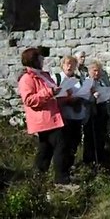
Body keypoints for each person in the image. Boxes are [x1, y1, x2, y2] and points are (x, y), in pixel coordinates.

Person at [17, 48, 71, 185]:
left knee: (45, 150)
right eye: (40, 58)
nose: (43, 60)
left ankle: (37, 180)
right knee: (61, 145)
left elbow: (52, 95)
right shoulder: (26, 79)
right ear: (33, 60)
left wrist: (64, 95)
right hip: (44, 119)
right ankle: (61, 180)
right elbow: (29, 100)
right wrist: (50, 92)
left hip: (52, 117)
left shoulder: (43, 75)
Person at [51, 56, 86, 169]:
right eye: (67, 64)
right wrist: (68, 98)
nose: (70, 66)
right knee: (63, 145)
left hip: (76, 116)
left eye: (72, 64)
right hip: (63, 117)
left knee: (74, 144)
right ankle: (61, 171)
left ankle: (70, 167)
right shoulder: (56, 78)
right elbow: (51, 98)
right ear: (62, 65)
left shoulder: (78, 79)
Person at [83, 60, 110, 166]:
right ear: (89, 71)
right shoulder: (86, 82)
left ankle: (100, 162)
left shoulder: (102, 82)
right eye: (94, 71)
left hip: (101, 113)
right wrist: (92, 96)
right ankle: (88, 163)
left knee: (101, 140)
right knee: (89, 141)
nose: (97, 73)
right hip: (90, 115)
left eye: (99, 71)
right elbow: (82, 97)